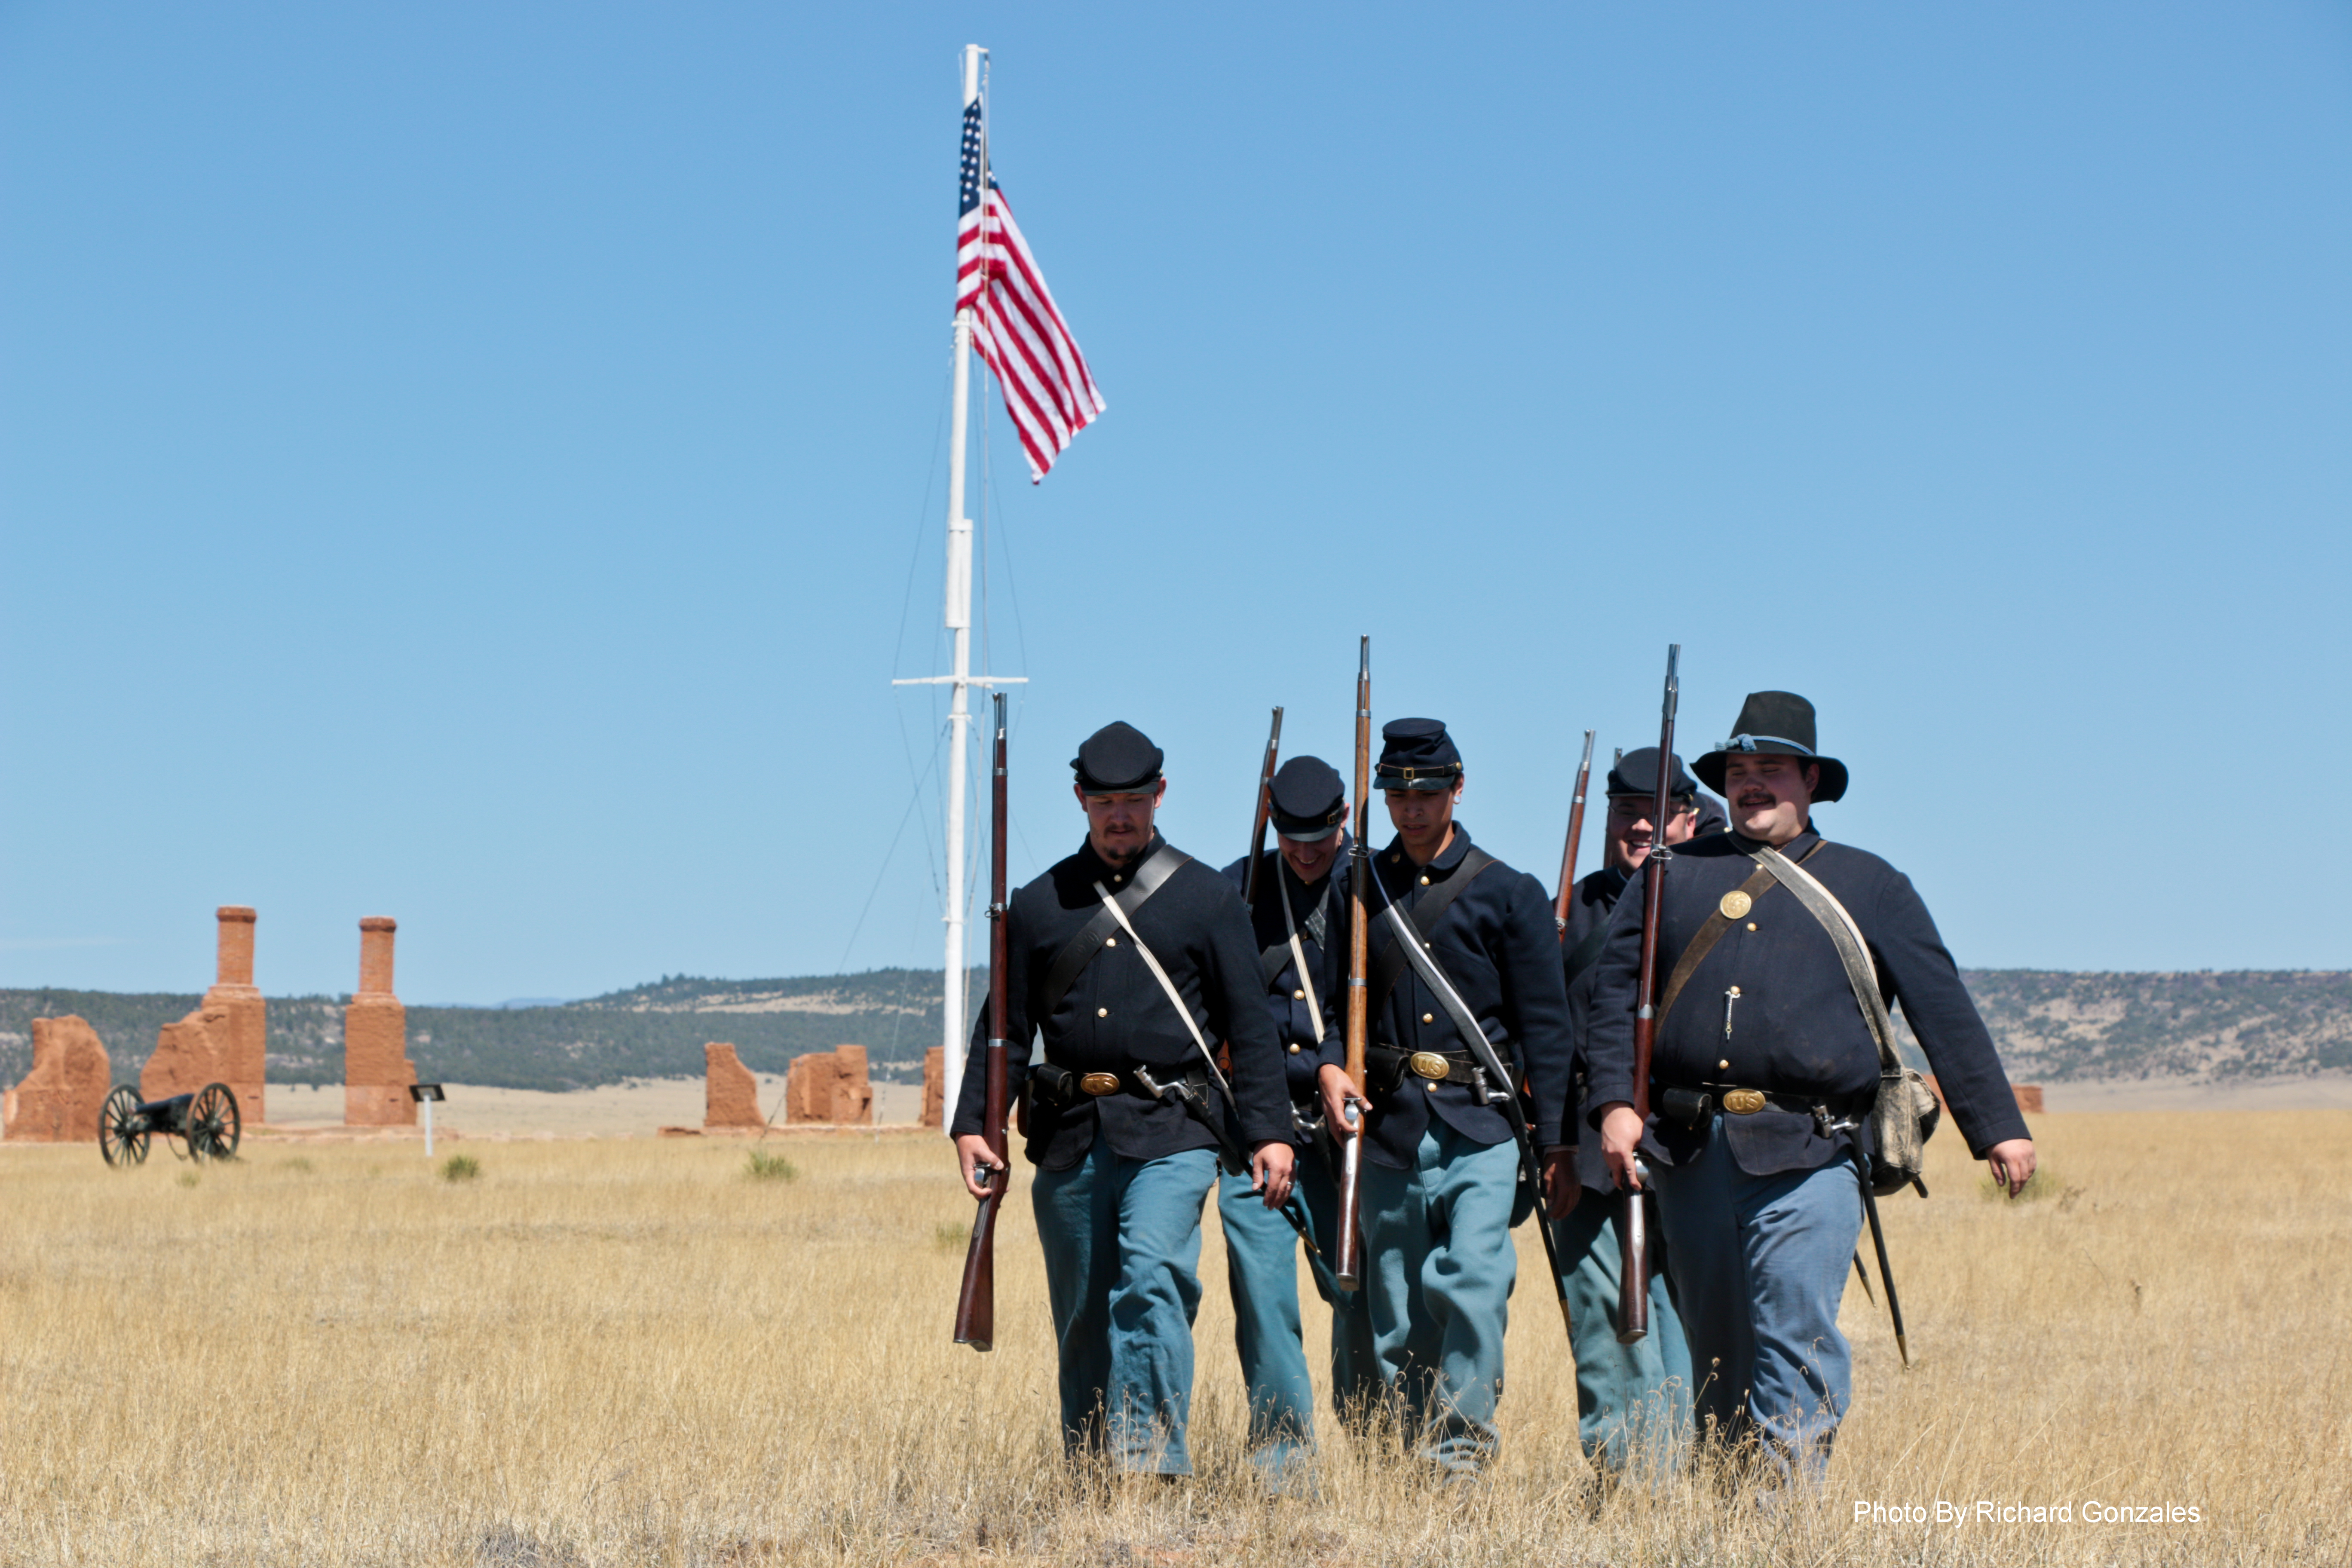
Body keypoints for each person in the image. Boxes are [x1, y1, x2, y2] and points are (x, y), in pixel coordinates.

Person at [1585, 692, 2036, 1478]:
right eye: (1738, 771)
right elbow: (1615, 997)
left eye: (1771, 769)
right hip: (1691, 1151)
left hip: (1812, 1150)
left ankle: (1786, 1525)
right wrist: (1617, 1104)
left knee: (1793, 1341)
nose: (1751, 784)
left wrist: (1997, 1126)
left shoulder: (1871, 885)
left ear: (1811, 780)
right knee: (1716, 1354)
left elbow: (1943, 1009)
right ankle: (1730, 1519)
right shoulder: (1669, 878)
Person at [952, 721, 1298, 1476]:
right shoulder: (1039, 904)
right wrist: (977, 1123)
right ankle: (1090, 1470)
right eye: (1105, 800)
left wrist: (1271, 1132)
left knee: (1152, 1280)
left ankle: (1151, 1463)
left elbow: (1252, 1025)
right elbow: (1003, 1027)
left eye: (1134, 800)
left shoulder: (1206, 898)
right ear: (1080, 799)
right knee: (1081, 1316)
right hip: (1072, 1132)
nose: (1120, 816)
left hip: (1174, 1128)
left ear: (1160, 796)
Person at [1313, 718, 1572, 1479]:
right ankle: (1408, 1459)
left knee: (1473, 1287)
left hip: (1482, 1124)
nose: (1411, 807)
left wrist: (1554, 1143)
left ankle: (1460, 1456)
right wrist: (1331, 1068)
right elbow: (1331, 1010)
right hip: (1390, 1125)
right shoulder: (1356, 887)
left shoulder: (1508, 892)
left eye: (1426, 791)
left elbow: (1547, 1032)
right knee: (1395, 1312)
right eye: (1395, 791)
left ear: (1458, 788)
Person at [1215, 755, 1378, 1481]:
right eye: (1291, 835)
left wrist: (1334, 1063)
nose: (1307, 851)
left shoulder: (1373, 890)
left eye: (1321, 835)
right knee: (1262, 1293)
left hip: (1346, 1124)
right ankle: (1283, 1460)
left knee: (1356, 1288)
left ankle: (1374, 1430)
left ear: (1345, 819)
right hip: (1255, 1123)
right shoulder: (1235, 889)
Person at [1547, 747, 1702, 1476]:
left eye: (1658, 813)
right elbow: (1542, 1040)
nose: (1641, 827)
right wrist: (1557, 1149)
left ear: (1690, 818)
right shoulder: (1568, 910)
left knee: (1688, 1316)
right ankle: (1624, 1476)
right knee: (1600, 1323)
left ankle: (1684, 1466)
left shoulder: (1712, 902)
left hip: (1689, 1146)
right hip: (1585, 1147)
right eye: (1627, 813)